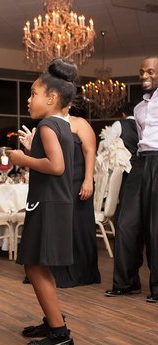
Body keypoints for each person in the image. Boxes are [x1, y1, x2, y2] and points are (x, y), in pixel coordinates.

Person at [7, 58, 78, 345]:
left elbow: (56, 166)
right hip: (55, 203)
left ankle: (60, 333)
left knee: (34, 266)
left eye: (33, 93)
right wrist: (32, 150)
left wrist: (22, 159)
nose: (28, 99)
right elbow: (55, 161)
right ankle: (53, 321)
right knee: (38, 265)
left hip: (47, 204)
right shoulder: (62, 125)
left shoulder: (47, 125)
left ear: (51, 98)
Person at [105, 56, 158, 301]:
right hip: (140, 161)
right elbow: (140, 139)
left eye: (151, 71)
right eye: (142, 72)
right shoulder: (138, 109)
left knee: (155, 227)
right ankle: (126, 282)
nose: (144, 76)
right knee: (126, 223)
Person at [51, 113, 100, 287]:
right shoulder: (47, 125)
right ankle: (53, 273)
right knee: (55, 227)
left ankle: (82, 272)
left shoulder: (79, 123)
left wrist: (88, 180)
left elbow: (90, 151)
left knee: (77, 226)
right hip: (54, 184)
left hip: (77, 181)